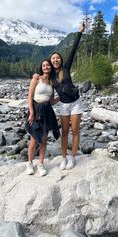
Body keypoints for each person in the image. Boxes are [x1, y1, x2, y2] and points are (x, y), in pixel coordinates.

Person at [49, 22, 85, 170]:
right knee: (64, 132)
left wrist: (80, 32)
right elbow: (49, 96)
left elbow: (74, 49)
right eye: (53, 59)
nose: (56, 60)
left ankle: (73, 157)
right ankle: (63, 158)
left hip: (76, 102)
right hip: (63, 105)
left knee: (75, 131)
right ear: (51, 62)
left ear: (61, 60)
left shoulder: (66, 67)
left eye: (57, 58)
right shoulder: (50, 77)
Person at [25, 59, 60, 176]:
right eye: (44, 65)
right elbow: (30, 96)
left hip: (47, 111)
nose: (46, 67)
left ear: (50, 67)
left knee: (44, 138)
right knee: (34, 139)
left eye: (47, 65)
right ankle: (29, 163)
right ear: (41, 67)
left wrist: (62, 96)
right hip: (36, 110)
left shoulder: (52, 83)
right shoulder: (36, 78)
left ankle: (40, 164)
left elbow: (52, 101)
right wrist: (31, 112)